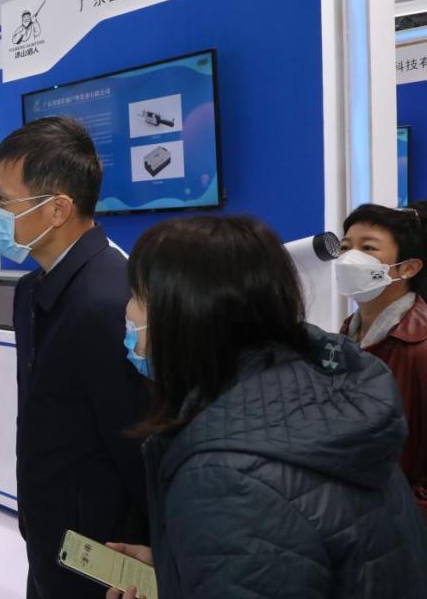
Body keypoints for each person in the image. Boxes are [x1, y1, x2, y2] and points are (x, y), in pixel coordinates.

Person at [107, 215, 427, 599]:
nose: (127, 311)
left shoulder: (225, 479)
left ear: (186, 314)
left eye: (138, 297)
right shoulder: (326, 398)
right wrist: (185, 565)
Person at [0, 117, 148, 599]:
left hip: (103, 553)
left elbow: (137, 445)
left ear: (57, 209)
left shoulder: (106, 300)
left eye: (3, 200)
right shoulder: (34, 289)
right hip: (51, 536)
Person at [337, 203, 427, 525]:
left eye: (368, 248)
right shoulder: (345, 334)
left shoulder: (420, 345)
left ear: (408, 268)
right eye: (345, 247)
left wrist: (410, 517)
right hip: (354, 511)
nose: (350, 258)